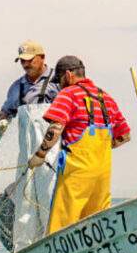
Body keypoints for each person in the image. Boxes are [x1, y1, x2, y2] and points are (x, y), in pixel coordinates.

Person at [27, 55, 131, 234]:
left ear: (68, 75)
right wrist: (100, 147)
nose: (58, 86)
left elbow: (56, 126)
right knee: (96, 229)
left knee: (62, 230)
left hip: (75, 178)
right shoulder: (105, 97)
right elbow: (125, 135)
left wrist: (40, 154)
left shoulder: (68, 94)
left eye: (59, 81)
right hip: (101, 177)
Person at [0, 40, 59, 136]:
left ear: (42, 57)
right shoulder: (17, 87)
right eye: (22, 61)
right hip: (28, 149)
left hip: (57, 147)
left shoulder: (59, 80)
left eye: (30, 60)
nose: (25, 65)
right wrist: (2, 121)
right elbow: (6, 112)